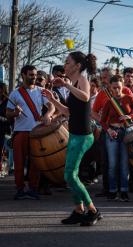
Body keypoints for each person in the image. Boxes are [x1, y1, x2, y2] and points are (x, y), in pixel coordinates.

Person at [42, 51, 102, 226]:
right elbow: (68, 111)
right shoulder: (74, 83)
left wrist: (67, 86)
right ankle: (78, 210)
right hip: (74, 134)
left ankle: (93, 210)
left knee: (69, 175)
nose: (65, 65)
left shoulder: (82, 79)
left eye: (67, 62)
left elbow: (85, 97)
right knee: (70, 175)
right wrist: (53, 99)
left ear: (77, 66)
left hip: (83, 136)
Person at [6, 65, 55, 200]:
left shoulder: (41, 91)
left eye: (35, 75)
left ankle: (33, 189)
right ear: (23, 75)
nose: (34, 77)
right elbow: (8, 113)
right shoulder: (15, 93)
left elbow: (51, 106)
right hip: (20, 132)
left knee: (36, 163)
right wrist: (15, 113)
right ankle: (20, 189)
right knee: (19, 163)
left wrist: (48, 115)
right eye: (31, 75)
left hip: (36, 132)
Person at [100, 75, 133, 202]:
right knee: (112, 165)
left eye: (119, 87)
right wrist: (108, 130)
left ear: (122, 86)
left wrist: (130, 116)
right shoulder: (109, 101)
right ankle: (113, 191)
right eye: (114, 88)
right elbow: (102, 121)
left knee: (125, 165)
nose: (117, 90)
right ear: (111, 88)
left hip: (126, 132)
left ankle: (124, 191)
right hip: (112, 133)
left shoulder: (129, 98)